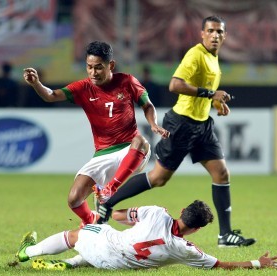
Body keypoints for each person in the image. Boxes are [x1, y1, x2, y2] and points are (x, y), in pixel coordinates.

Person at [96, 15, 255, 248]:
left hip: (202, 125)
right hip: (181, 124)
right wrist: (211, 95)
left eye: (219, 32)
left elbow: (202, 90)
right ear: (202, 34)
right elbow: (175, 84)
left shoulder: (213, 57)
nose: (215, 35)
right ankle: (108, 202)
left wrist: (216, 102)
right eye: (210, 31)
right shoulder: (196, 54)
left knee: (221, 174)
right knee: (158, 178)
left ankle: (225, 235)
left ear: (225, 36)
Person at [23, 41, 169, 227]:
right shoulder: (83, 87)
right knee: (74, 198)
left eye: (98, 67)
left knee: (141, 140)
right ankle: (92, 223)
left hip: (130, 150)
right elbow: (51, 95)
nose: (93, 72)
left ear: (111, 65)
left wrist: (153, 124)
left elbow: (147, 105)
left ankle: (109, 190)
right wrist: (36, 83)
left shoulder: (127, 81)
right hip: (103, 153)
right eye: (89, 67)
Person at [13, 200, 277, 270]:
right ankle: (72, 264)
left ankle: (27, 252)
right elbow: (222, 265)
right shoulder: (186, 250)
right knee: (100, 241)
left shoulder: (156, 212)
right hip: (117, 266)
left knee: (81, 232)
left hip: (106, 247)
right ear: (198, 228)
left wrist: (111, 210)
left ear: (182, 211)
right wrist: (259, 263)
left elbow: (118, 215)